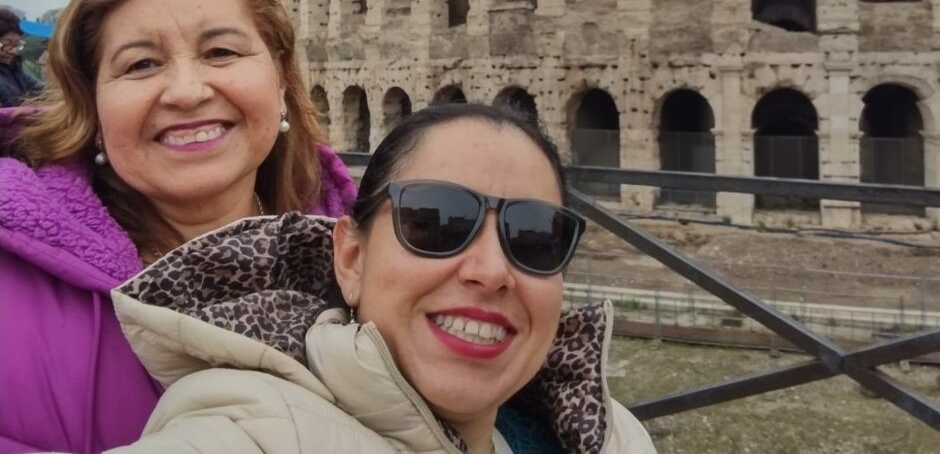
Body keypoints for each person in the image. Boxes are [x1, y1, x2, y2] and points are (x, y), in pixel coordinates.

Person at [107, 104, 656, 453]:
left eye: (535, 236)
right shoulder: (260, 430)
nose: (491, 271)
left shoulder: (612, 435)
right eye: (436, 221)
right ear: (351, 260)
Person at [0, 0, 357, 454]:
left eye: (220, 51)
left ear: (280, 80)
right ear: (92, 106)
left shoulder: (374, 255)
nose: (188, 91)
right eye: (141, 64)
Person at [0, 8, 43, 107]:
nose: (13, 50)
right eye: (7, 43)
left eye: (17, 44)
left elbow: (41, 89)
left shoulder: (15, 70)